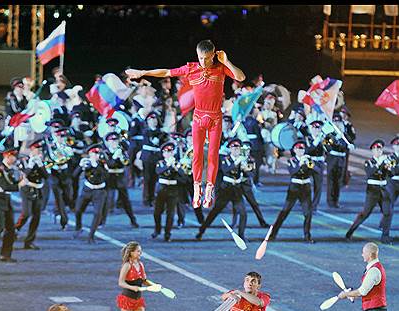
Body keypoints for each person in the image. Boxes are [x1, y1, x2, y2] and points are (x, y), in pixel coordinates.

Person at [126, 40, 245, 208]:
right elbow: (167, 72)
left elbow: (240, 77)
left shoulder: (220, 68)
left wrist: (226, 61)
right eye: (200, 58)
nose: (203, 61)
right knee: (196, 155)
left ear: (213, 55)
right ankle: (197, 189)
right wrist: (143, 72)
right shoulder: (191, 68)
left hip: (215, 119)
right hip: (198, 118)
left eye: (206, 58)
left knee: (212, 155)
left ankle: (209, 189)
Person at [268, 140, 318, 243]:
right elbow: (293, 171)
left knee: (308, 213)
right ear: (294, 150)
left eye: (302, 149)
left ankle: (307, 236)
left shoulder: (308, 159)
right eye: (299, 149)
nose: (301, 151)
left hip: (306, 187)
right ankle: (273, 234)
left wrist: (310, 163)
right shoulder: (292, 160)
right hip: (294, 187)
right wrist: (301, 163)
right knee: (285, 211)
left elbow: (317, 170)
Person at [345, 140, 392, 244]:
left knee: (388, 213)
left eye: (379, 149)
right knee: (365, 214)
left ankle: (385, 236)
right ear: (372, 151)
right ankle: (350, 232)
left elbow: (391, 174)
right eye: (375, 149)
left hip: (384, 189)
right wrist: (381, 164)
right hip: (373, 191)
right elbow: (371, 172)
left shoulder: (386, 162)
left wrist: (389, 167)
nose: (378, 151)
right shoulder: (368, 162)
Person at [15, 138, 48, 250]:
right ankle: (15, 229)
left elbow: (46, 177)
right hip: (27, 189)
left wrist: (40, 166)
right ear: (31, 150)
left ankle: (29, 241)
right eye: (36, 150)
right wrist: (30, 166)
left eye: (40, 150)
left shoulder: (42, 161)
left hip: (38, 190)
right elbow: (22, 176)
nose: (39, 152)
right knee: (26, 213)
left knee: (36, 217)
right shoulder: (23, 161)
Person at [117, 242, 150, 311]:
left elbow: (144, 280)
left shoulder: (140, 264)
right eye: (138, 251)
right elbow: (121, 282)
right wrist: (133, 288)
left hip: (138, 299)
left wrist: (154, 286)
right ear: (131, 252)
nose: (140, 253)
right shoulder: (127, 265)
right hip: (127, 298)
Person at [152, 141, 184, 242]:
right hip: (162, 189)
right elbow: (158, 172)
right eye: (166, 152)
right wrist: (168, 166)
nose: (169, 154)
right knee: (157, 212)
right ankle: (157, 229)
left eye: (170, 152)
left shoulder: (178, 164)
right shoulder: (160, 163)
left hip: (173, 190)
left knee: (170, 214)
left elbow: (184, 177)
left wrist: (176, 168)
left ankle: (167, 233)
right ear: (163, 154)